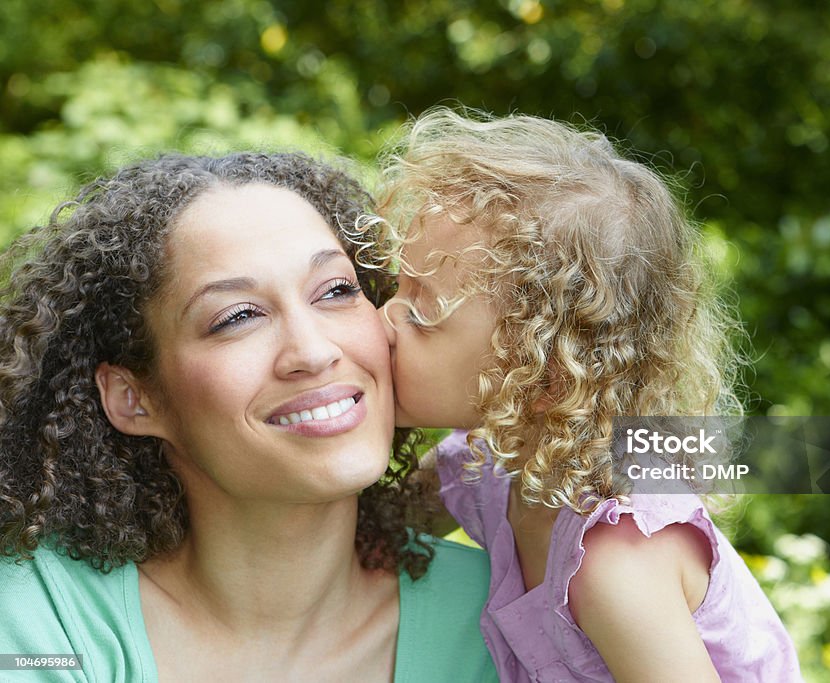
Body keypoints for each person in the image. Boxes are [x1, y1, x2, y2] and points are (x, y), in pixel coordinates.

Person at [0, 152, 498, 682]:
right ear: (133, 397)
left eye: (336, 290)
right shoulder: (41, 624)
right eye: (237, 317)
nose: (312, 351)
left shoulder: (506, 616)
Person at [375, 109, 803, 682]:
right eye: (394, 289)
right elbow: (368, 529)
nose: (380, 322)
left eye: (421, 314)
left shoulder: (614, 562)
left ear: (543, 377)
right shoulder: (487, 464)